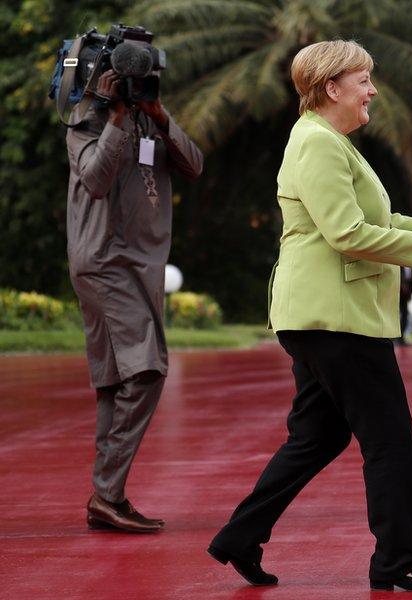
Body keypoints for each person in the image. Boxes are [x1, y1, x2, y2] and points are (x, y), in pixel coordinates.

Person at [207, 40, 412, 592]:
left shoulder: (328, 141)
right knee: (391, 441)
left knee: (316, 437)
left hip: (323, 316)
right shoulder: (318, 144)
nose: (372, 91)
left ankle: (240, 536)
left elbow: (371, 216)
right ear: (331, 87)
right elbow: (347, 233)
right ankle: (396, 561)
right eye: (363, 81)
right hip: (337, 318)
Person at [66, 66, 203, 532]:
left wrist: (160, 117)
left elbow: (194, 165)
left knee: (114, 378)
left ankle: (109, 497)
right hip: (103, 261)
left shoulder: (152, 121)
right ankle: (106, 492)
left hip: (140, 265)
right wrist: (116, 119)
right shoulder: (83, 120)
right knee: (147, 368)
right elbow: (96, 179)